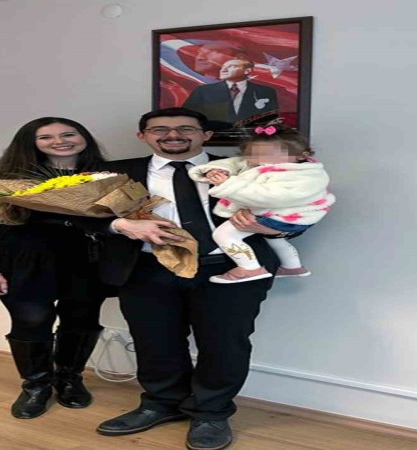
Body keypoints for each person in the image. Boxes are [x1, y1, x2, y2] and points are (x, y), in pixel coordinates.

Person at [94, 108, 292, 450]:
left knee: (224, 343)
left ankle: (211, 412)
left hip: (229, 268)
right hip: (147, 269)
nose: (173, 135)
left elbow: (299, 204)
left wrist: (275, 228)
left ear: (206, 135)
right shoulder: (115, 173)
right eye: (160, 129)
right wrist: (120, 225)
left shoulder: (246, 168)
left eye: (185, 128)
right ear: (142, 136)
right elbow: (82, 216)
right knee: (154, 341)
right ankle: (162, 403)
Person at [0, 117, 110, 420]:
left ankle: (69, 379)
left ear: (84, 138)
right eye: (46, 137)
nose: (60, 141)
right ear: (31, 143)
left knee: (81, 317)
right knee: (32, 319)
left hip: (85, 258)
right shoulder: (11, 178)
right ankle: (36, 386)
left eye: (68, 134)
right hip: (23, 257)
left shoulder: (107, 176)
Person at [188, 124, 335, 284]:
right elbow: (235, 163)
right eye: (252, 154)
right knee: (274, 240)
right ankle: (292, 267)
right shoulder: (258, 164)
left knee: (223, 235)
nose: (259, 159)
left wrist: (228, 184)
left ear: (301, 155)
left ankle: (250, 268)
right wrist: (215, 169)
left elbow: (270, 197)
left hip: (285, 216)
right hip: (282, 216)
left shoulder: (304, 176)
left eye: (269, 154)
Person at [183, 58, 279, 130]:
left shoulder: (265, 91)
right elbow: (187, 117)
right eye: (223, 67)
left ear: (247, 71)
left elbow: (271, 119)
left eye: (232, 66)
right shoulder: (203, 91)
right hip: (214, 140)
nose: (223, 70)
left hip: (252, 139)